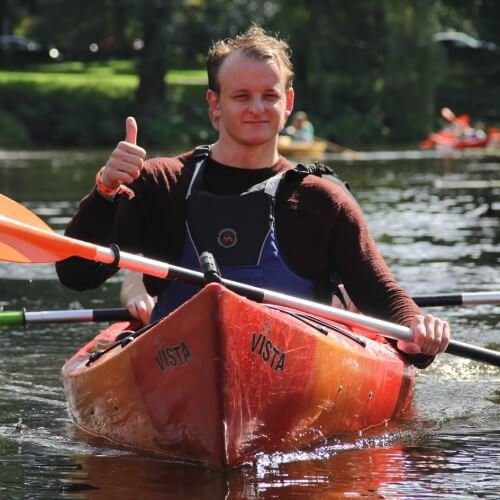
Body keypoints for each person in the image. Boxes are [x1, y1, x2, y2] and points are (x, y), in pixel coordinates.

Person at [56, 26, 450, 368]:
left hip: (298, 365)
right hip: (174, 361)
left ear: (288, 102)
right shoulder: (161, 182)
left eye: (269, 96)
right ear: (215, 105)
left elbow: (381, 294)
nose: (257, 109)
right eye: (241, 96)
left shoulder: (321, 200)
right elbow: (75, 274)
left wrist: (418, 331)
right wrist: (105, 191)